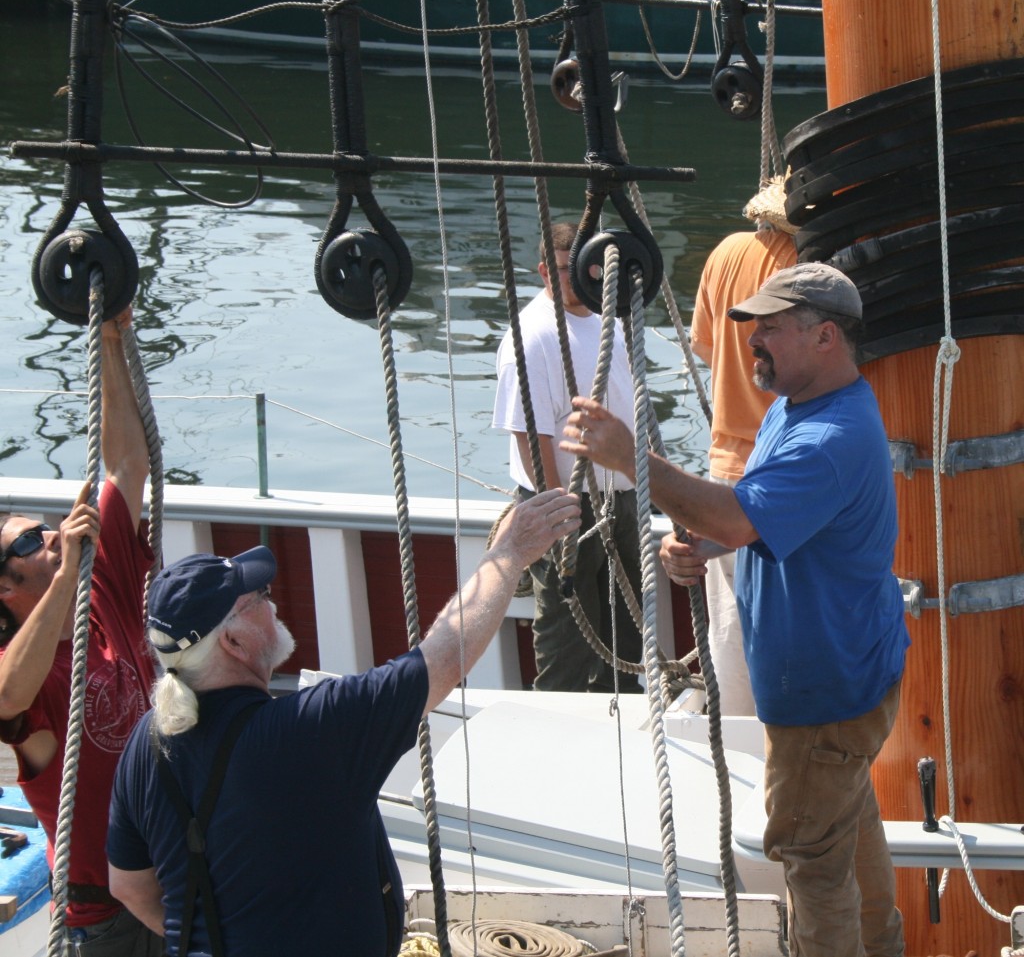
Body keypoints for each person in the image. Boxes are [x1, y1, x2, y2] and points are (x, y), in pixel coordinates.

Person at [561, 262, 909, 957]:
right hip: (848, 679)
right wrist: (702, 545)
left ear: (825, 337)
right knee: (845, 830)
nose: (753, 342)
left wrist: (634, 457)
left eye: (771, 329)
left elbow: (741, 517)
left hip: (823, 697)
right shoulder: (796, 406)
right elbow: (759, 515)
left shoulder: (829, 437)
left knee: (813, 862)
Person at [105, 488, 581, 957]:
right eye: (260, 598)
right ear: (233, 641)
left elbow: (128, 886)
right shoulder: (310, 729)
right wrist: (510, 553)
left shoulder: (145, 746)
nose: (273, 604)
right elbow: (444, 658)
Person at [0, 307, 163, 955]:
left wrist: (110, 337)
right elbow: (6, 698)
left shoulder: (103, 588)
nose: (52, 535)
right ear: (7, 589)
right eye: (33, 539)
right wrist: (67, 573)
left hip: (176, 876)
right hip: (102, 924)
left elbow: (126, 463)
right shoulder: (22, 671)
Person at [492, 221, 643, 692]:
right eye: (563, 269)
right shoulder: (533, 336)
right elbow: (528, 432)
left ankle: (623, 706)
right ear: (542, 271)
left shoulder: (610, 318)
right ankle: (556, 717)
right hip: (566, 503)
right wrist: (559, 512)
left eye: (586, 268)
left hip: (622, 498)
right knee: (568, 634)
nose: (579, 279)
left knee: (628, 631)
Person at [688, 178, 798, 715]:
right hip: (786, 469)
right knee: (792, 634)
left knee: (730, 632)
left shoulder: (726, 252)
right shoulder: (809, 266)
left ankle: (736, 750)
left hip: (725, 465)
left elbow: (707, 347)